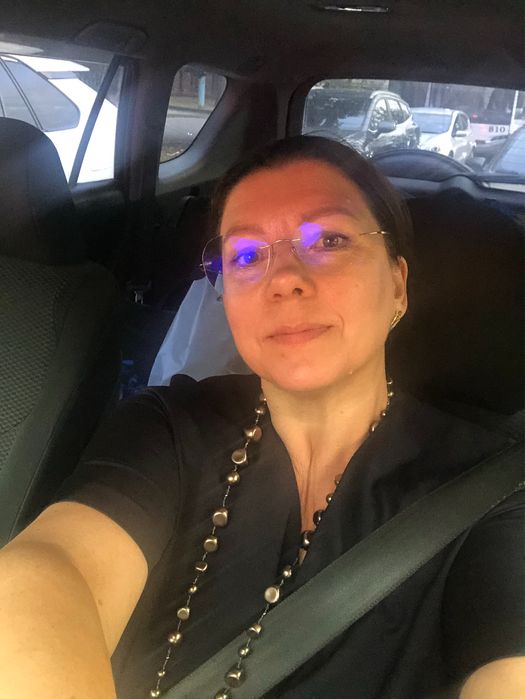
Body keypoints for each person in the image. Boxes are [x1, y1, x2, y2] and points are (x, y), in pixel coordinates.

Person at [0, 136, 523, 699]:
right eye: (246, 256)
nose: (283, 279)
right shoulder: (166, 426)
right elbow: (49, 571)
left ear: (397, 284)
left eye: (330, 240)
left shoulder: (494, 490)